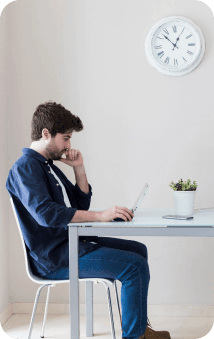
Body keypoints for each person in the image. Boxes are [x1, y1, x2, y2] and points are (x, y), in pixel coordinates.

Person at [6, 101, 171, 339]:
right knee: (133, 266)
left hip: (72, 244)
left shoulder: (48, 166)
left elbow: (80, 206)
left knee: (139, 250)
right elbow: (47, 215)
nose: (68, 145)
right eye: (65, 138)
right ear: (45, 134)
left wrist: (79, 168)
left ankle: (139, 329)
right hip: (55, 258)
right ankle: (135, 337)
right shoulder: (25, 168)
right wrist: (101, 217)